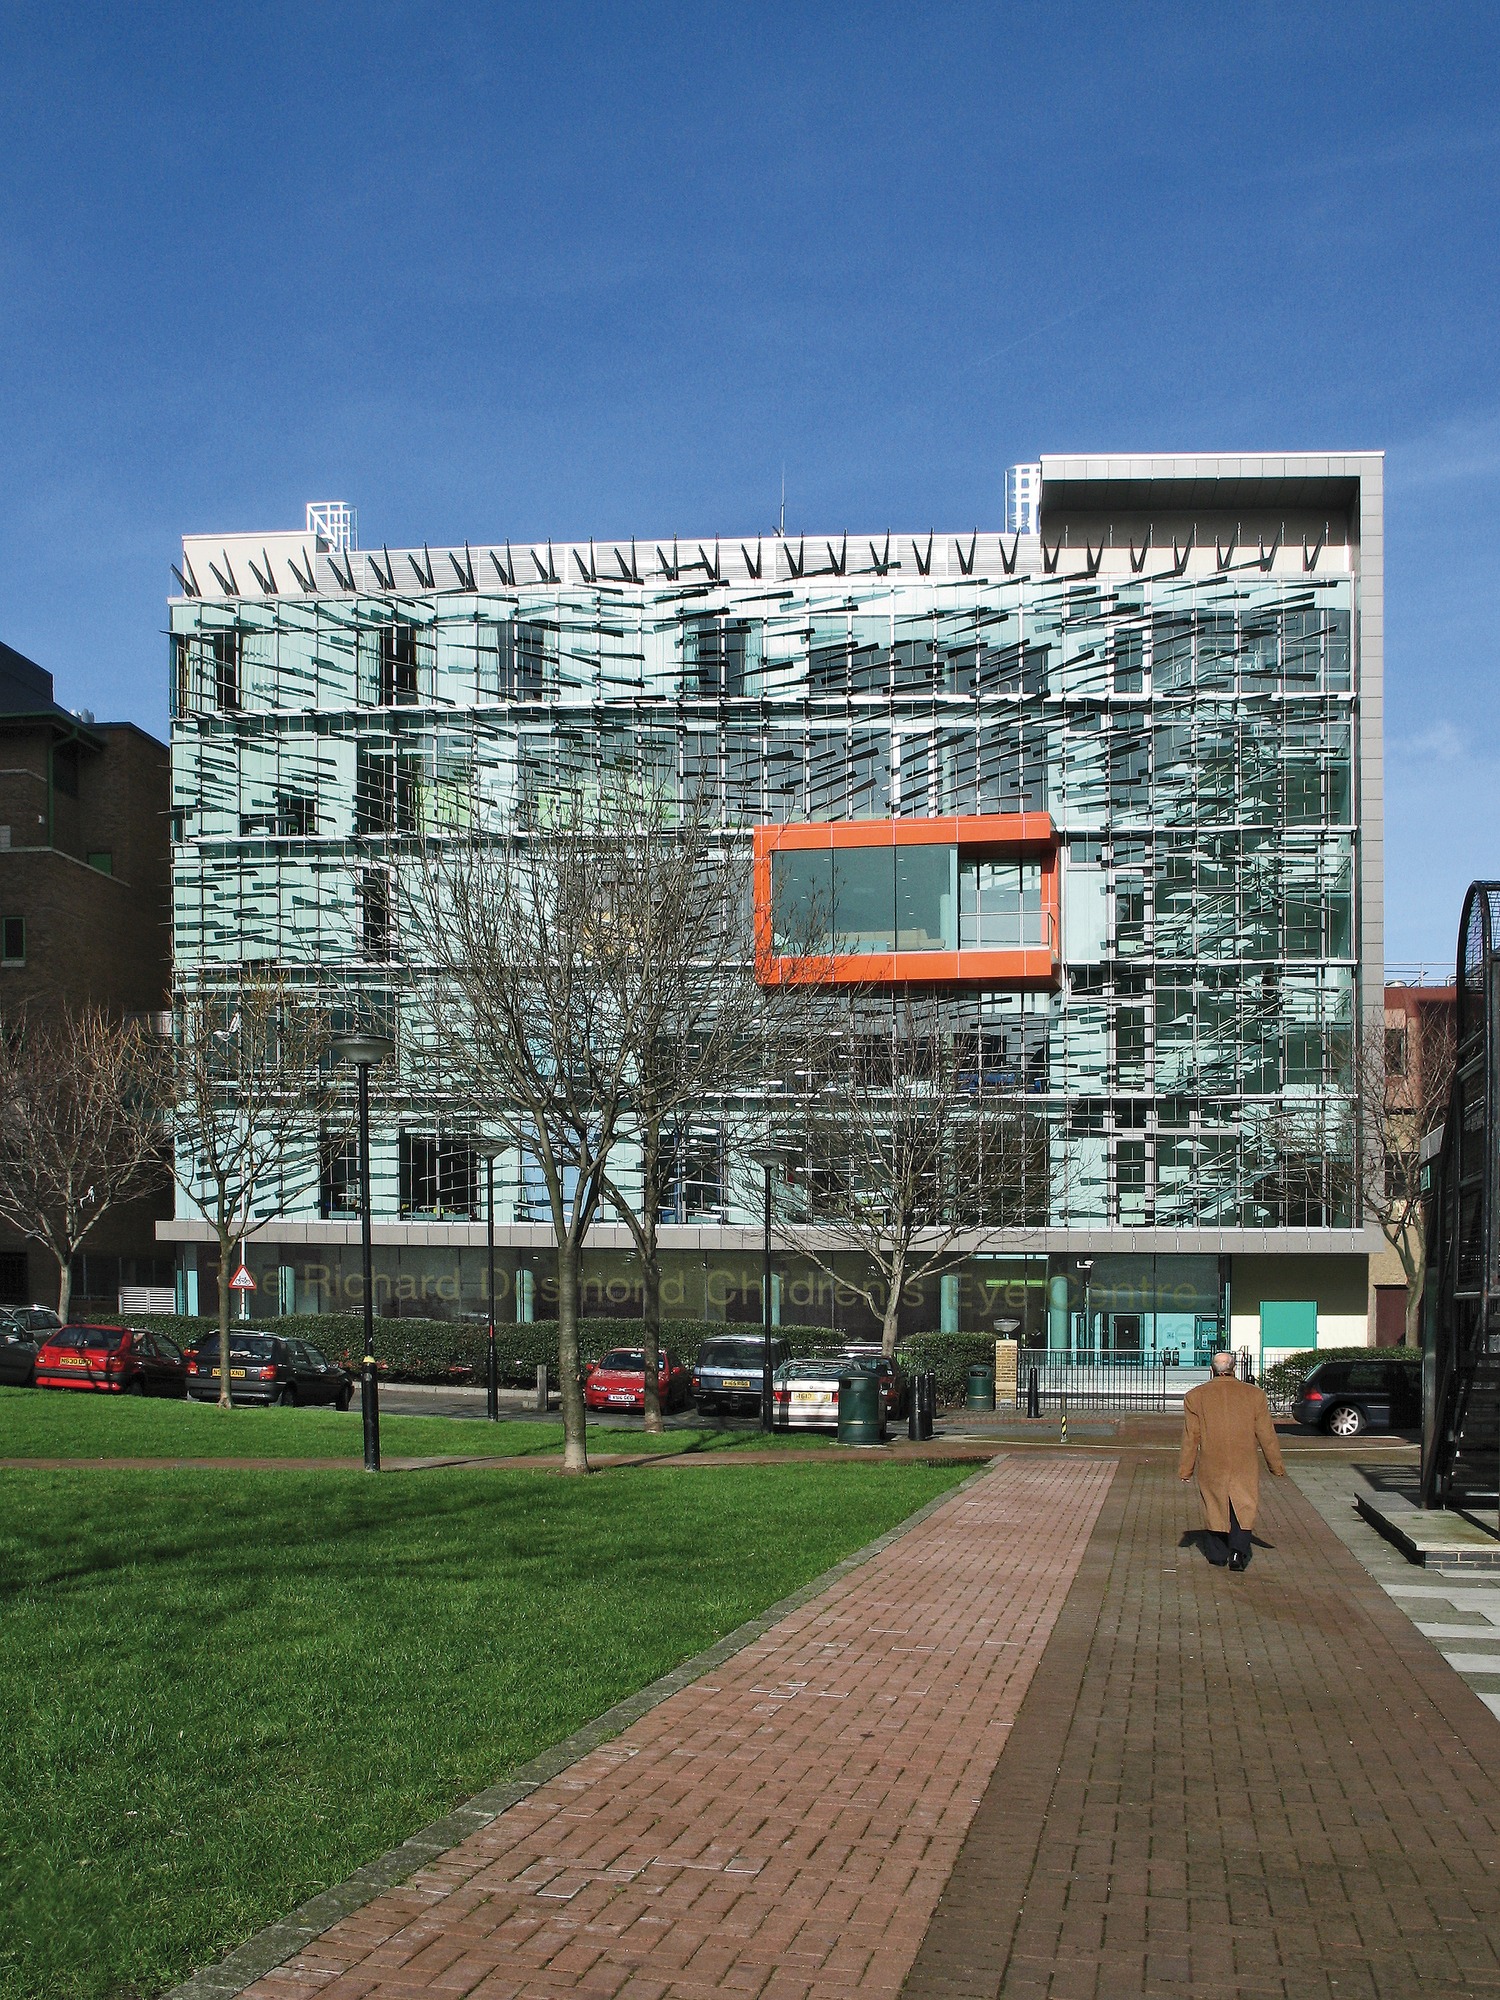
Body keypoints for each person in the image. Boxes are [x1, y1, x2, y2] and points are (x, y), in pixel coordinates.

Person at [1179, 1350, 1286, 1571]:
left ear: (1211, 1369)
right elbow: (1266, 1434)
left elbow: (1191, 1436)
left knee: (1215, 1504)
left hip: (1212, 1459)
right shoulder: (1255, 1395)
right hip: (1244, 1459)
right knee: (1243, 1504)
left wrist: (1185, 1469)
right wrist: (1276, 1466)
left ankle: (1217, 1554)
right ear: (1234, 1368)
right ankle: (1238, 1552)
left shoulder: (1195, 1396)